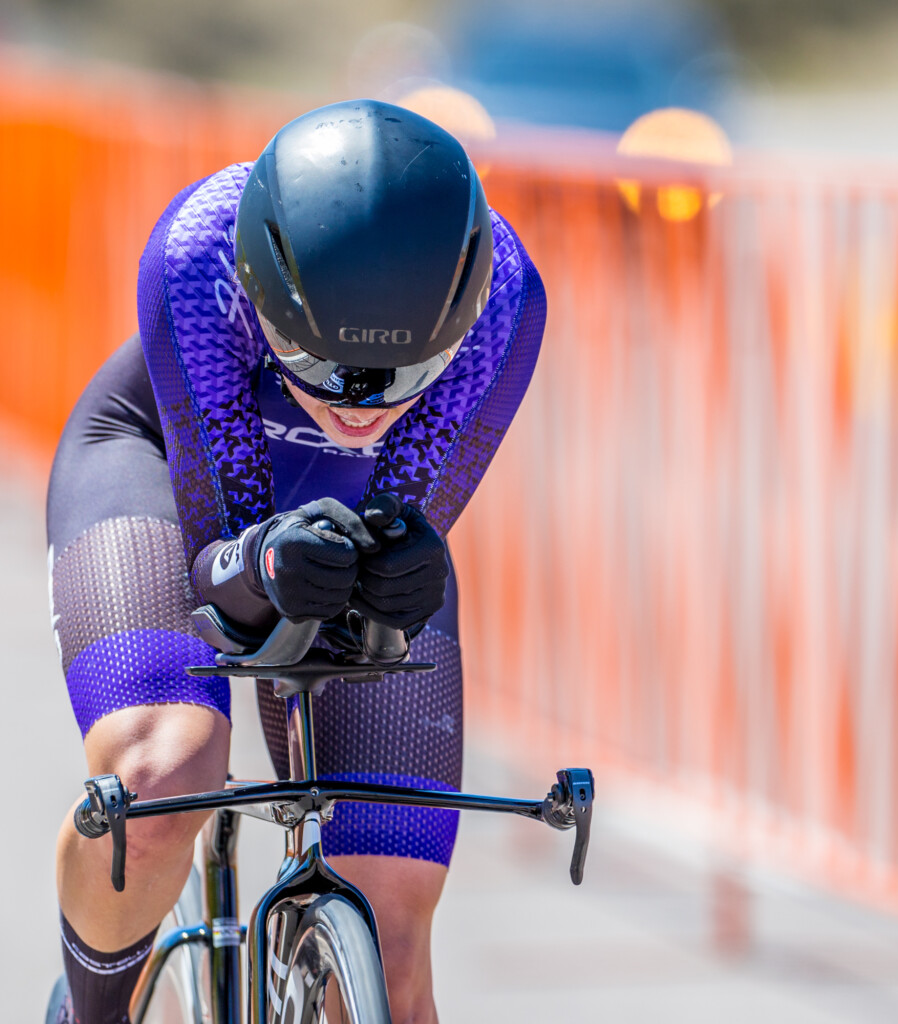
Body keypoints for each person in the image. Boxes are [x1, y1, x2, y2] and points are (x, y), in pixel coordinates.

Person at [45, 98, 547, 1024]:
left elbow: (402, 519)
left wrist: (400, 575)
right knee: (161, 778)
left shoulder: (504, 299)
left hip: (341, 512)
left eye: (405, 378)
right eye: (314, 364)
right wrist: (263, 570)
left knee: (392, 935)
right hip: (162, 471)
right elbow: (218, 565)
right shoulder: (200, 253)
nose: (358, 409)